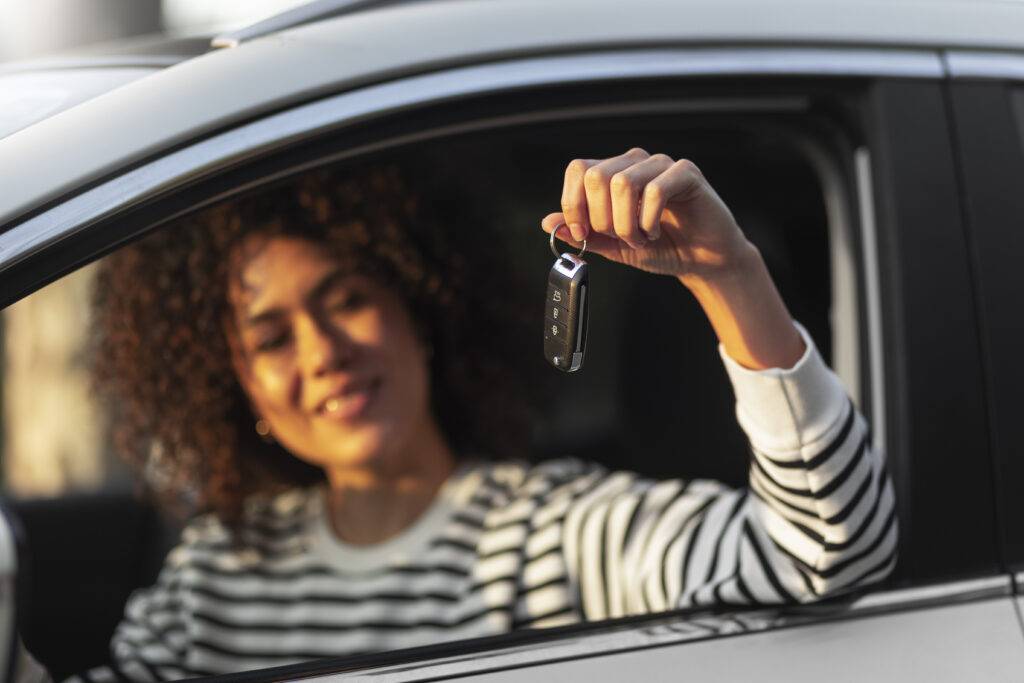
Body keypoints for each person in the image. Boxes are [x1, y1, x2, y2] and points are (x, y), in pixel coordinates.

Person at [73, 149, 895, 680]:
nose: (322, 352)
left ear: (420, 312)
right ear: (239, 386)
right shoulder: (216, 574)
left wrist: (730, 276)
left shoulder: (559, 531)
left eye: (348, 299)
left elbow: (827, 553)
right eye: (272, 338)